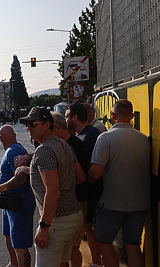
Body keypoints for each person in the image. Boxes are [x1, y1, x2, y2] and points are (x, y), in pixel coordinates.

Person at [0, 107, 84, 266]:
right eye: (27, 124)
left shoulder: (44, 151)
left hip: (56, 221)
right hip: (73, 216)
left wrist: (44, 226)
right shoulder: (64, 144)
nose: (28, 128)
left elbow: (53, 192)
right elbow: (80, 177)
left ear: (47, 124)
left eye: (33, 124)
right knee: (62, 263)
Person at [88, 100, 150, 267]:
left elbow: (95, 173)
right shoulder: (144, 139)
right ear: (131, 116)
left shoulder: (105, 138)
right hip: (139, 203)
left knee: (105, 243)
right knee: (133, 246)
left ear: (113, 116)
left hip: (111, 203)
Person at [0, 125, 35, 267]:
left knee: (19, 244)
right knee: (9, 237)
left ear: (1, 138)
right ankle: (13, 264)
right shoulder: (12, 150)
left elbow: (21, 177)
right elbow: (9, 171)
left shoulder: (14, 151)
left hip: (18, 205)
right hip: (9, 204)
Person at [51, 112, 92, 267]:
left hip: (78, 202)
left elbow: (82, 178)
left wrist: (59, 185)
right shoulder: (65, 144)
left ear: (58, 128)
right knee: (69, 248)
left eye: (49, 129)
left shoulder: (74, 146)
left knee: (71, 248)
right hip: (73, 202)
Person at [65, 103, 103, 266]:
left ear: (74, 117)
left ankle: (97, 262)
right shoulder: (83, 135)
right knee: (89, 230)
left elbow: (95, 169)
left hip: (93, 196)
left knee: (92, 231)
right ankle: (96, 262)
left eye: (67, 116)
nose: (66, 120)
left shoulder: (91, 136)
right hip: (89, 195)